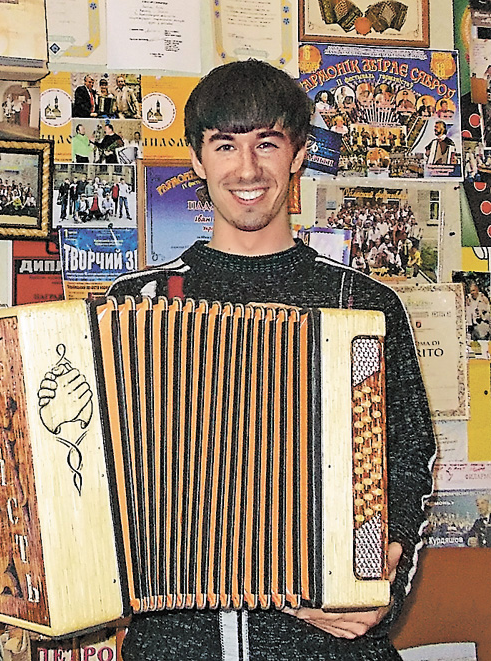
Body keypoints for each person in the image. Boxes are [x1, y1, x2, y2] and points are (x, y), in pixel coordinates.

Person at [108, 59, 435, 661]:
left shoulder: (360, 303)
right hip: (177, 640)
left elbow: (408, 453)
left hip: (324, 643)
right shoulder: (138, 305)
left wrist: (383, 575)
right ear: (197, 159)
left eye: (267, 143)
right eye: (225, 145)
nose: (248, 168)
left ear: (299, 155)